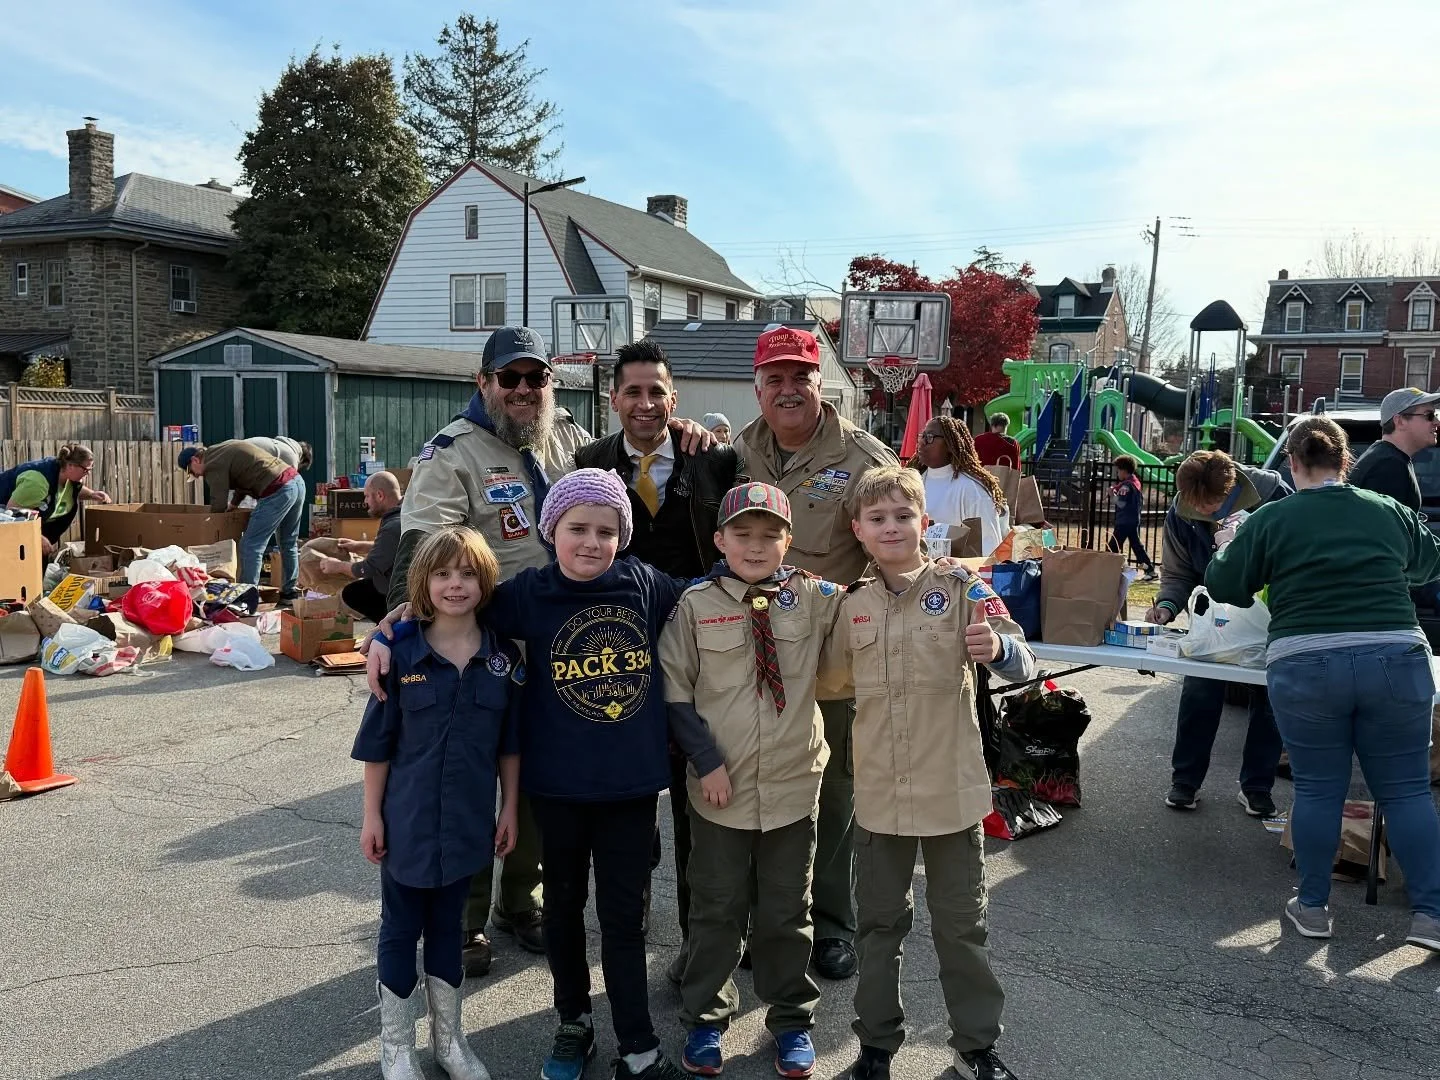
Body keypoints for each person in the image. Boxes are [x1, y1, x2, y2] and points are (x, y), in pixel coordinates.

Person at [390, 325, 714, 976]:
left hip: (558, 649)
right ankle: (464, 920)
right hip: (483, 647)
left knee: (537, 782)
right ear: (483, 383)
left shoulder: (563, 437)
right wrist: (399, 634)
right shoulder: (452, 453)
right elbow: (422, 551)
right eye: (509, 377)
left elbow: (619, 472)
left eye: (535, 377)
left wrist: (684, 433)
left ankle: (521, 900)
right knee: (471, 782)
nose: (523, 389)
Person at [369, 469, 696, 1080]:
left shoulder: (643, 584)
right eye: (577, 528)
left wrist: (778, 578)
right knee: (564, 914)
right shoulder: (528, 594)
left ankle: (638, 1045)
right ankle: (573, 1024)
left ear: (622, 536)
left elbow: (705, 593)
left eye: (606, 531)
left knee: (623, 921)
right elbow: (453, 605)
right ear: (552, 531)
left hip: (630, 788)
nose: (591, 542)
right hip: (558, 788)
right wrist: (395, 629)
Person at [823, 466, 1035, 1080]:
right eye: (877, 519)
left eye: (903, 515)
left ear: (924, 521)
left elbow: (1024, 662)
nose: (891, 527)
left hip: (951, 789)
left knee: (962, 926)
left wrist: (1000, 651)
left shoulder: (964, 588)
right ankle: (876, 1045)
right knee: (878, 925)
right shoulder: (851, 606)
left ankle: (976, 1045)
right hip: (881, 792)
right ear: (859, 530)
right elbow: (828, 681)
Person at [1206, 417, 1440, 953]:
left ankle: (1312, 907)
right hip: (1395, 656)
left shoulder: (1272, 519)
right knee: (1406, 791)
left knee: (1317, 789)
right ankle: (1430, 914)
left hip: (1305, 659)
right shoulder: (1387, 509)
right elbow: (1429, 565)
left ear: (1292, 462)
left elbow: (1226, 585)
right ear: (1345, 461)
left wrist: (1227, 545)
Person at [731, 325, 899, 981]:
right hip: (747, 660)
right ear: (758, 388)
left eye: (799, 376)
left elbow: (896, 553)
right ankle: (760, 922)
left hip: (832, 663)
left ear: (818, 382)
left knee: (833, 798)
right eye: (773, 378)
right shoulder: (737, 451)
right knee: (755, 794)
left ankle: (831, 925)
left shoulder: (864, 459)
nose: (787, 390)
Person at [660, 482, 844, 1079]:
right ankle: (706, 1016)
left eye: (770, 535)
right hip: (722, 786)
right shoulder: (695, 605)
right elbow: (675, 691)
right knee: (717, 907)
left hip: (794, 784)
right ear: (720, 540)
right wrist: (705, 761)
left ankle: (790, 1018)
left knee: (788, 909)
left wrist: (939, 569)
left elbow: (877, 611)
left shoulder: (815, 597)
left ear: (789, 542)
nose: (756, 546)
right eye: (742, 534)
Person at [574, 338, 742, 973]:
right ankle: (631, 922)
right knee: (631, 799)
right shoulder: (589, 463)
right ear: (614, 400)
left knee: (701, 795)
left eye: (656, 392)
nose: (644, 403)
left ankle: (703, 942)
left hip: (702, 649)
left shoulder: (715, 460)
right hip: (618, 650)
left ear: (674, 399)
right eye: (632, 392)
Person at [352, 525, 523, 1080]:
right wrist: (371, 816)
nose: (455, 584)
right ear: (423, 583)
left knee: (451, 929)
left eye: (468, 573)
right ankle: (396, 1048)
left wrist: (509, 808)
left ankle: (449, 1041)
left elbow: (510, 745)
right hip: (407, 820)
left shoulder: (501, 656)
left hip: (469, 821)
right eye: (443, 573)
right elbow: (377, 746)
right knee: (401, 929)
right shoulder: (400, 651)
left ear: (485, 582)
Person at [1145, 449, 1290, 816]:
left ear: (1231, 488)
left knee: (1270, 700)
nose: (1202, 511)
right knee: (1199, 692)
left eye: (1209, 504)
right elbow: (1178, 572)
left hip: (1269, 619)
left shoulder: (1275, 497)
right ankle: (1185, 781)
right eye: (1195, 505)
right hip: (1213, 623)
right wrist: (1167, 606)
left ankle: (1257, 787)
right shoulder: (1180, 513)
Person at [179, 441, 304, 599]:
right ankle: (290, 593)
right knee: (288, 542)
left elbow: (218, 502)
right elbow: (243, 479)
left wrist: (209, 527)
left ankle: (247, 596)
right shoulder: (220, 451)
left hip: (278, 489)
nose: (197, 476)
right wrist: (234, 504)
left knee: (251, 545)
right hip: (296, 481)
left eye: (192, 471)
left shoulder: (211, 464)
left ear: (195, 460)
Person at [910, 416, 1010, 558]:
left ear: (951, 445)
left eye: (930, 437)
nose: (922, 442)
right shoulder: (914, 482)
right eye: (922, 436)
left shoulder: (972, 489)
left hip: (957, 571)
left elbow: (988, 548)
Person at [317, 471, 403, 624]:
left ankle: (391, 625)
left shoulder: (393, 526)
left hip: (399, 593)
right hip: (405, 585)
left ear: (380, 495)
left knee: (352, 593)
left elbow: (369, 568)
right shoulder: (405, 514)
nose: (365, 501)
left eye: (367, 496)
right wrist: (359, 546)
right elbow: (393, 547)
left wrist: (337, 566)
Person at [0, 443, 111, 554]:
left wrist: (91, 494)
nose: (88, 473)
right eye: (85, 470)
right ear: (71, 465)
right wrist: (35, 536)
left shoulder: (65, 474)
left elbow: (67, 491)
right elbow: (11, 514)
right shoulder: (37, 484)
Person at [1347, 386, 1440, 512]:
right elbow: (1383, 523)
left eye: (1435, 415)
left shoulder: (1388, 458)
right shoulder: (1388, 466)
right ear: (1400, 421)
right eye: (1429, 415)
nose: (1437, 422)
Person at [1106, 455, 1156, 579]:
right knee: (1136, 546)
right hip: (1132, 519)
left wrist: (1112, 495)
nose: (1117, 473)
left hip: (1124, 521)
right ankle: (1149, 570)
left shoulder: (1126, 486)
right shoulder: (1135, 483)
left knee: (1113, 546)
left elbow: (1121, 504)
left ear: (1124, 470)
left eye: (1118, 470)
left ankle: (1107, 568)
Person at [247, 435, 314, 474]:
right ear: (302, 460)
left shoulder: (280, 444)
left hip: (242, 448)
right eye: (301, 467)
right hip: (248, 460)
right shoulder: (292, 458)